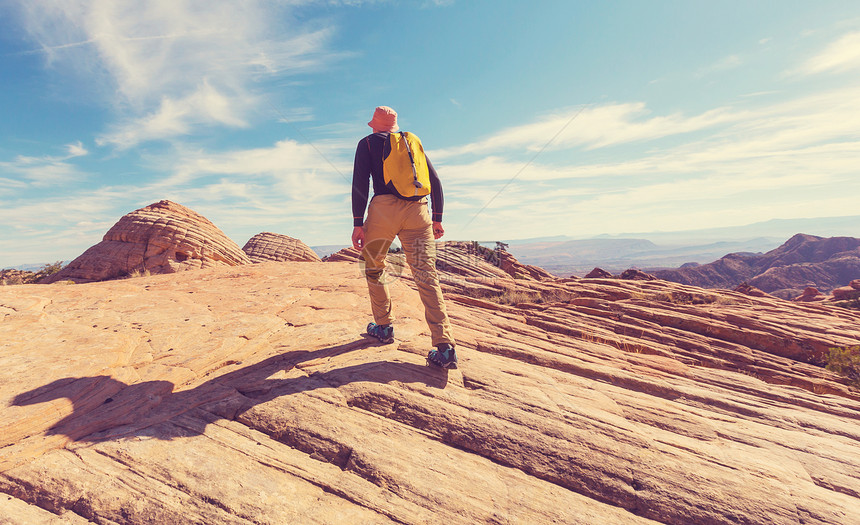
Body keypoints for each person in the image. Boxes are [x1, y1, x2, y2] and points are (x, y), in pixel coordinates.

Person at [351, 106, 458, 369]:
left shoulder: (367, 143)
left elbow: (360, 183)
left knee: (374, 266)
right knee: (426, 274)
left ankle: (384, 327)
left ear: (374, 125)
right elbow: (435, 180)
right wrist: (437, 218)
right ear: (395, 125)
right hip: (419, 211)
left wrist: (357, 223)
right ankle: (445, 347)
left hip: (384, 209)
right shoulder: (411, 141)